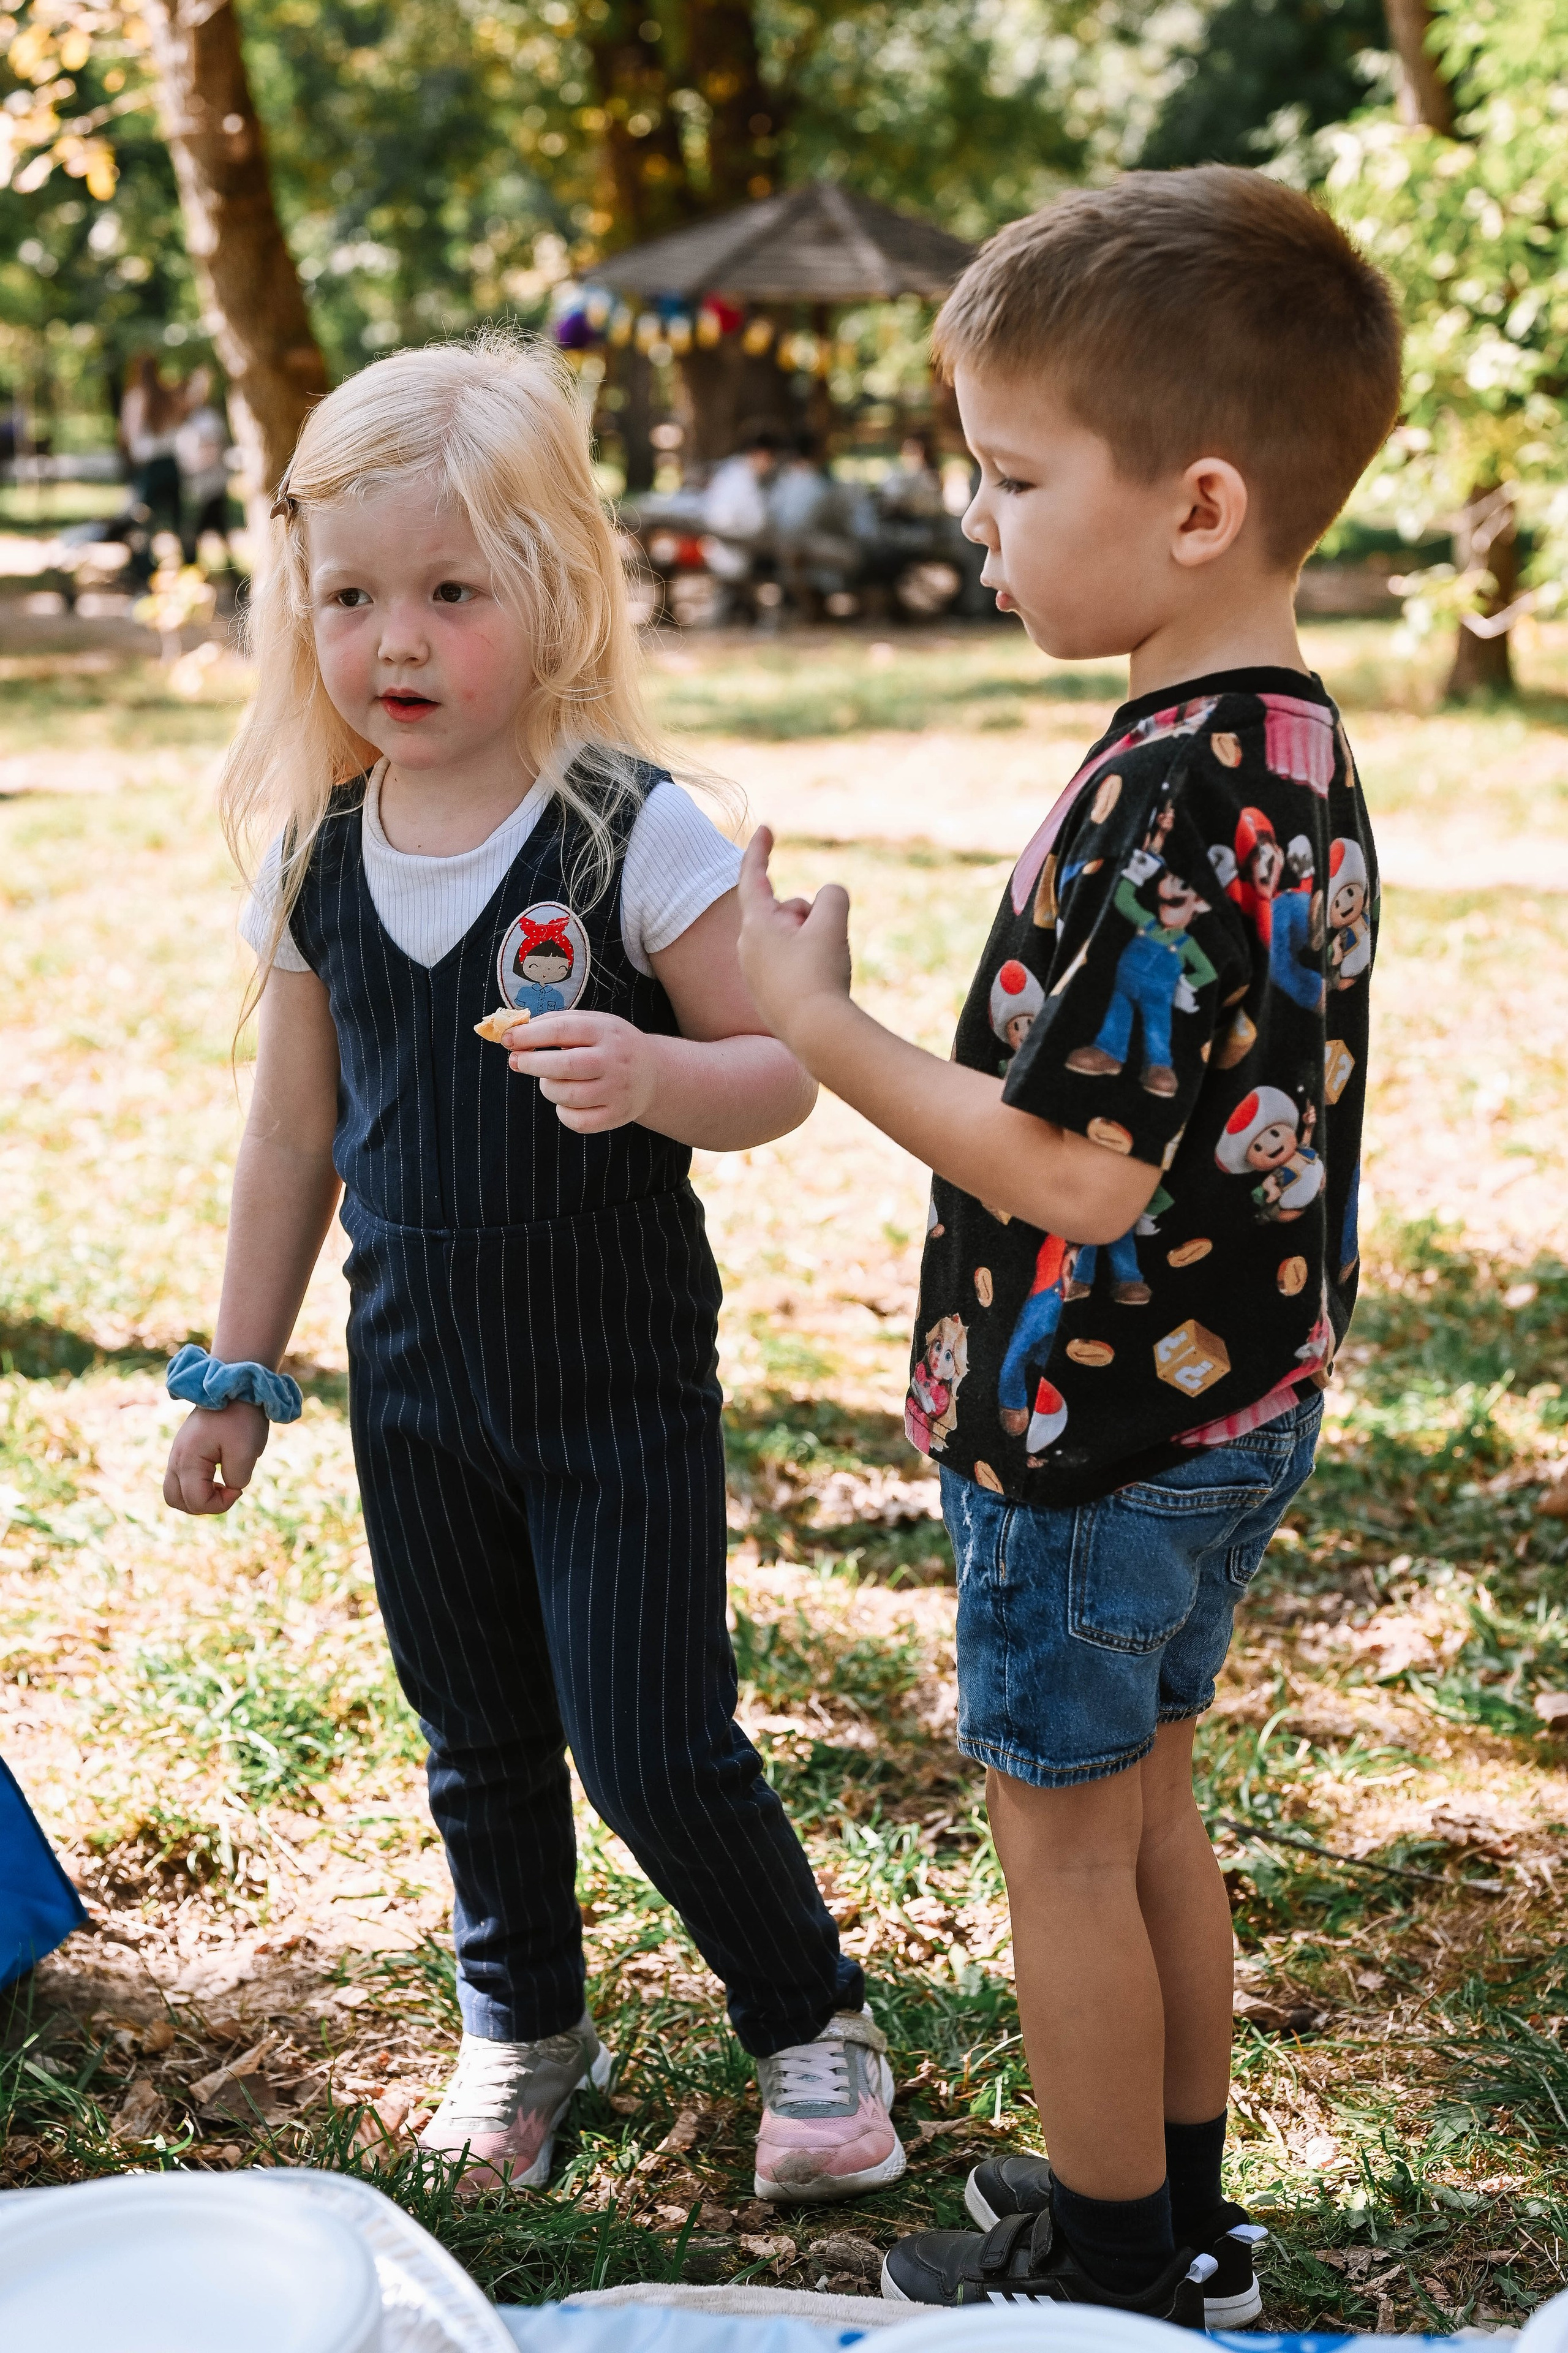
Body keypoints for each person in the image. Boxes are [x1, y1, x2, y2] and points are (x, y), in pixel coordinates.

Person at [736, 167, 1398, 2322]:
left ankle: (1111, 2269)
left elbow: (1074, 1174)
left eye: (1015, 476)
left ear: (1199, 504)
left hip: (1095, 1433)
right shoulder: (1292, 749)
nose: (981, 522)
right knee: (1153, 1820)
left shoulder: (1168, 799)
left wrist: (816, 1021)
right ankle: (1178, 2211)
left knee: (1068, 1854)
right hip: (1234, 1405)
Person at [159, 336, 903, 2208]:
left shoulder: (622, 828)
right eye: (348, 594)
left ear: (554, 593)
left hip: (609, 1372)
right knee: (477, 1732)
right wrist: (238, 1371)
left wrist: (657, 1072)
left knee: (649, 1733)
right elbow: (288, 1137)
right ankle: (523, 2023)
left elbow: (780, 1069)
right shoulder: (320, 856)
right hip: (413, 1378)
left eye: (447, 591)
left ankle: (809, 2012)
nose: (391, 639)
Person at [119, 355, 189, 575]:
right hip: (170, 464)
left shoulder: (136, 397)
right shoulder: (167, 396)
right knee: (178, 521)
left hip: (149, 468)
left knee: (143, 522)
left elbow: (129, 434)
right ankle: (188, 567)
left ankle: (145, 571)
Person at [175, 368, 233, 558]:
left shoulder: (207, 420)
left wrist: (189, 467)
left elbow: (211, 453)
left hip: (210, 485)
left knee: (196, 530)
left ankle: (192, 566)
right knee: (213, 530)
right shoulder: (192, 420)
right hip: (201, 485)